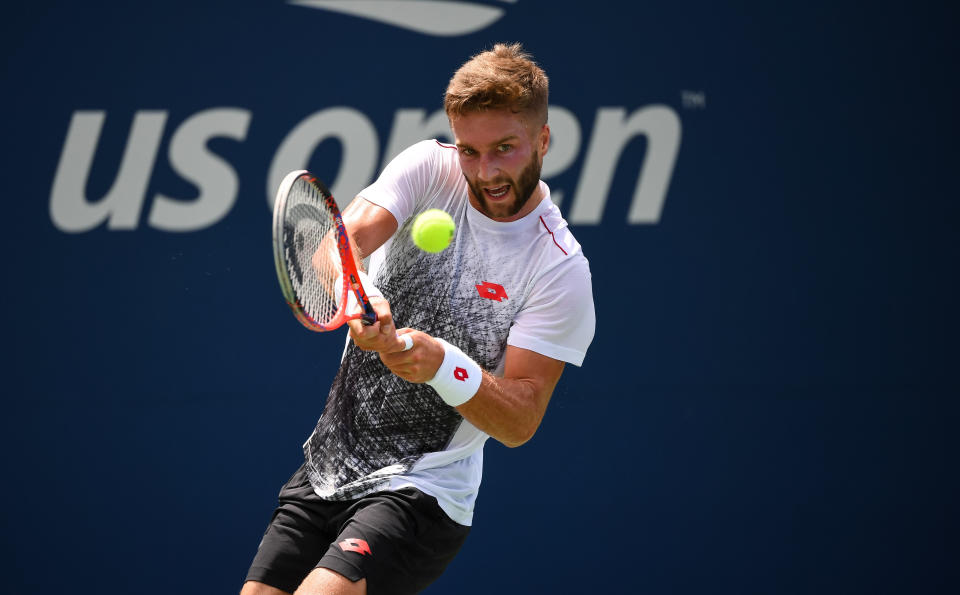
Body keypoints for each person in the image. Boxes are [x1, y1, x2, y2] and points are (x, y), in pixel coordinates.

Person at [242, 42, 596, 595]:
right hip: (329, 467)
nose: (487, 171)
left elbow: (521, 420)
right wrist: (356, 293)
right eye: (470, 151)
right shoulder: (428, 167)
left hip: (424, 493)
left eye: (505, 148)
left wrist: (440, 364)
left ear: (543, 140)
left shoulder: (558, 269)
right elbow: (334, 248)